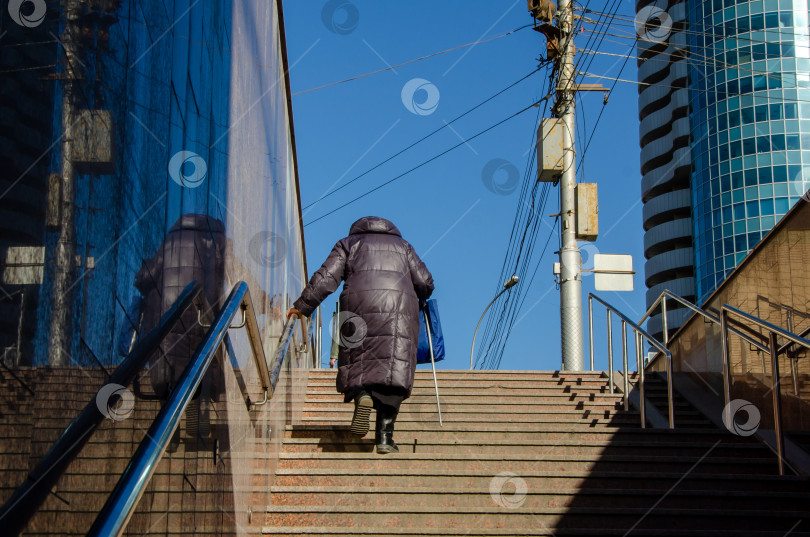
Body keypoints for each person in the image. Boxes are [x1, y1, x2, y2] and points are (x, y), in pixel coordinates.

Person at [287, 216, 434, 454]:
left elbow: (327, 278)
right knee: (393, 370)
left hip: (356, 309)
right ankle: (385, 438)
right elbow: (426, 283)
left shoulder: (348, 243)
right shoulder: (404, 246)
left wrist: (303, 306)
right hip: (398, 312)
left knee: (356, 360)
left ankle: (362, 395)